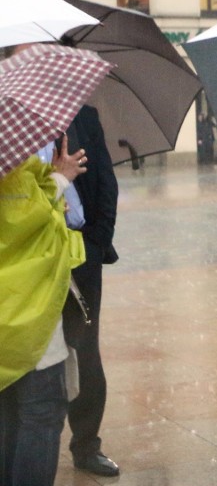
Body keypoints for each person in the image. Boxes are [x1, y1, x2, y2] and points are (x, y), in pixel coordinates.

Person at [0, 138, 87, 486]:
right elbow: (25, 221)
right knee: (42, 413)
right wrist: (61, 179)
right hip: (28, 318)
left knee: (6, 412)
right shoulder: (14, 172)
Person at [62, 105, 121, 477]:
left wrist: (96, 243)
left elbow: (104, 180)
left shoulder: (83, 114)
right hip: (24, 256)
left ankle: (86, 444)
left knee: (84, 348)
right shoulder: (11, 119)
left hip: (80, 253)